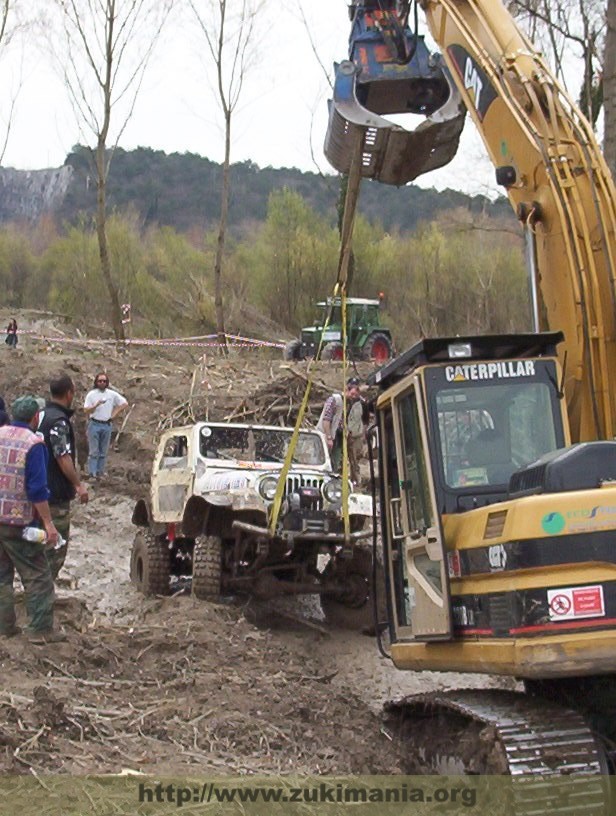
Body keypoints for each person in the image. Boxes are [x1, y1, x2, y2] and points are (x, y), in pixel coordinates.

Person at [0, 396, 65, 643]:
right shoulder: (33, 443)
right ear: (35, 417)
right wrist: (49, 524)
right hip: (19, 523)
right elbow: (37, 488)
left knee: (2, 576)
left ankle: (4, 627)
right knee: (38, 575)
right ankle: (40, 629)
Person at [38, 373, 89, 579]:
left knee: (38, 549)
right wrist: (78, 484)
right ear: (70, 393)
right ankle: (43, 597)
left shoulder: (40, 416)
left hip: (37, 490)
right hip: (55, 494)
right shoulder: (59, 421)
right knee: (55, 550)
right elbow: (62, 456)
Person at [84, 372, 128, 479]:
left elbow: (124, 403)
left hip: (106, 425)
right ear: (96, 382)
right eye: (100, 381)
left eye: (104, 381)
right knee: (94, 451)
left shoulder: (111, 394)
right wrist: (96, 405)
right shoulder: (91, 394)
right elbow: (86, 410)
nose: (102, 383)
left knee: (103, 451)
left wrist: (113, 414)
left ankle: (100, 472)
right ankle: (92, 473)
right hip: (94, 424)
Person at [317, 377, 361, 473]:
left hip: (338, 437)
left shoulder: (349, 403)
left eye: (355, 395)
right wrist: (328, 437)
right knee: (323, 461)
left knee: (335, 462)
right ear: (346, 390)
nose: (353, 397)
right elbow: (326, 419)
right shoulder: (334, 400)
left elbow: (343, 420)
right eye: (352, 394)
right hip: (325, 436)